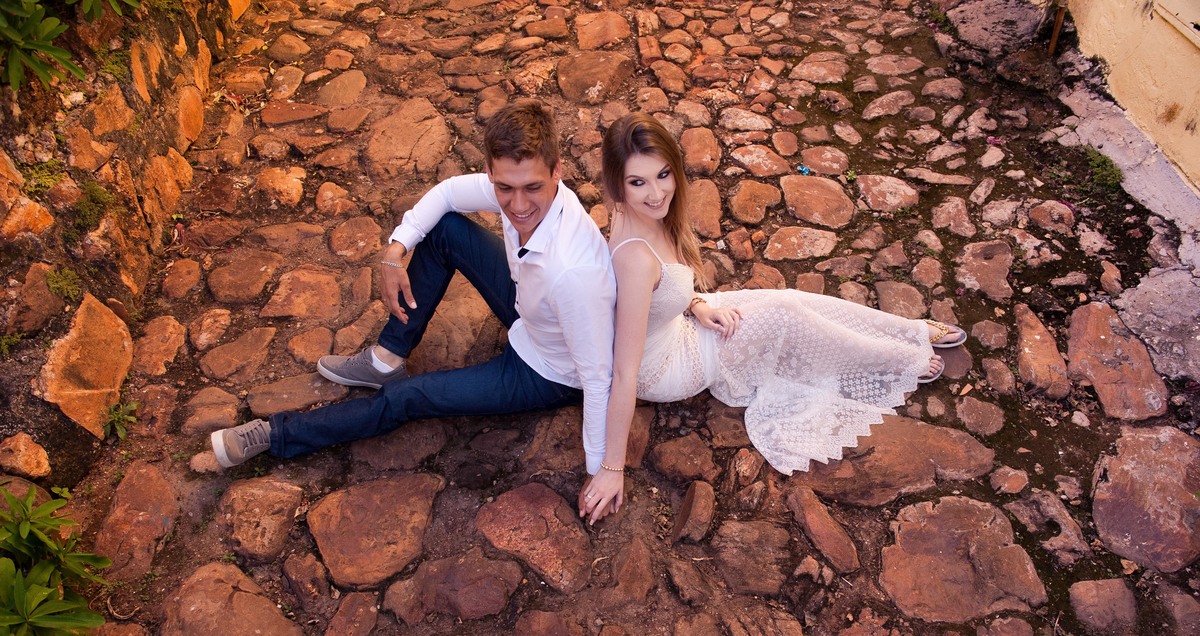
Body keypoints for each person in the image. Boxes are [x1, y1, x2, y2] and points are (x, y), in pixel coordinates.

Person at [578, 113, 965, 523]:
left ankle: (909, 330)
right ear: (618, 183)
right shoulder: (635, 256)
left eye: (662, 175)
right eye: (638, 182)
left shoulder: (642, 214)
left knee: (789, 300)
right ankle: (896, 359)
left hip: (684, 321)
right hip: (670, 366)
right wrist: (610, 467)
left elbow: (663, 293)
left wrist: (697, 305)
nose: (656, 193)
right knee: (786, 315)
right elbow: (624, 372)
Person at [211, 100, 617, 478]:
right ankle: (386, 358)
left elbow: (597, 378)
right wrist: (395, 251)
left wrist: (601, 472)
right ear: (492, 173)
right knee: (445, 229)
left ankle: (276, 434)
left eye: (531, 187)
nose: (518, 204)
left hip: (546, 369)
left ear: (557, 171)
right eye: (504, 188)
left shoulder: (573, 271)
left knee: (409, 397)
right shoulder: (523, 193)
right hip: (530, 305)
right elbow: (447, 193)